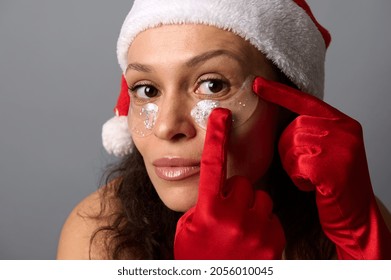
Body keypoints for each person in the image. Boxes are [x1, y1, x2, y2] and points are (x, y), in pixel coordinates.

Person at [57, 0, 391, 260]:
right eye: (147, 90)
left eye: (213, 85)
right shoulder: (99, 232)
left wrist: (364, 246)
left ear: (290, 102)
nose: (167, 126)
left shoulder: (355, 219)